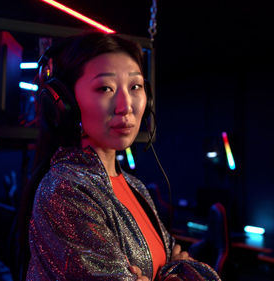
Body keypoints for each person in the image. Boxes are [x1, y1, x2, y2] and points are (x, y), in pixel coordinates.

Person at [18, 32, 220, 281]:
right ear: (65, 104)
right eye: (105, 88)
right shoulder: (65, 190)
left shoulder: (136, 187)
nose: (126, 106)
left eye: (135, 86)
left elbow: (182, 265)